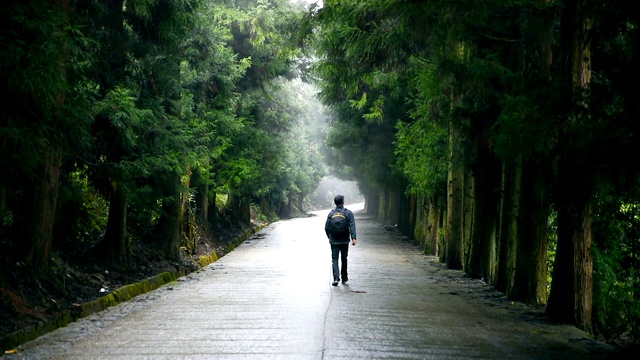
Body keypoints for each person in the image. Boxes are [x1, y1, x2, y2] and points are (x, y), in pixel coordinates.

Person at [325, 195, 357, 286]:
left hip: (334, 240)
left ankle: (336, 278)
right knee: (344, 258)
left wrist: (330, 237)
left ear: (335, 202)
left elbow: (327, 227)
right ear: (343, 202)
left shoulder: (331, 214)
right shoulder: (348, 213)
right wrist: (353, 238)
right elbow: (352, 225)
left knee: (334, 259)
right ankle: (344, 278)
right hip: (344, 240)